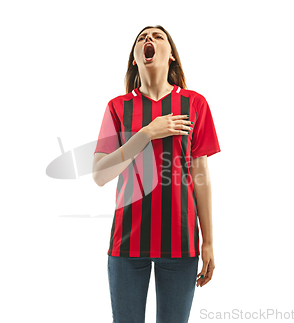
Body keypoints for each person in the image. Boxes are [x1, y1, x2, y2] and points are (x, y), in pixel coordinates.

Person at [92, 25, 221, 323]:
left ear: (172, 56)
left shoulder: (195, 104)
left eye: (158, 37)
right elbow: (100, 174)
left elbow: (201, 177)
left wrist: (209, 242)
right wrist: (147, 133)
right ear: (135, 59)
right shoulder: (117, 108)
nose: (149, 40)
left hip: (181, 241)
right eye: (141, 38)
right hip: (127, 242)